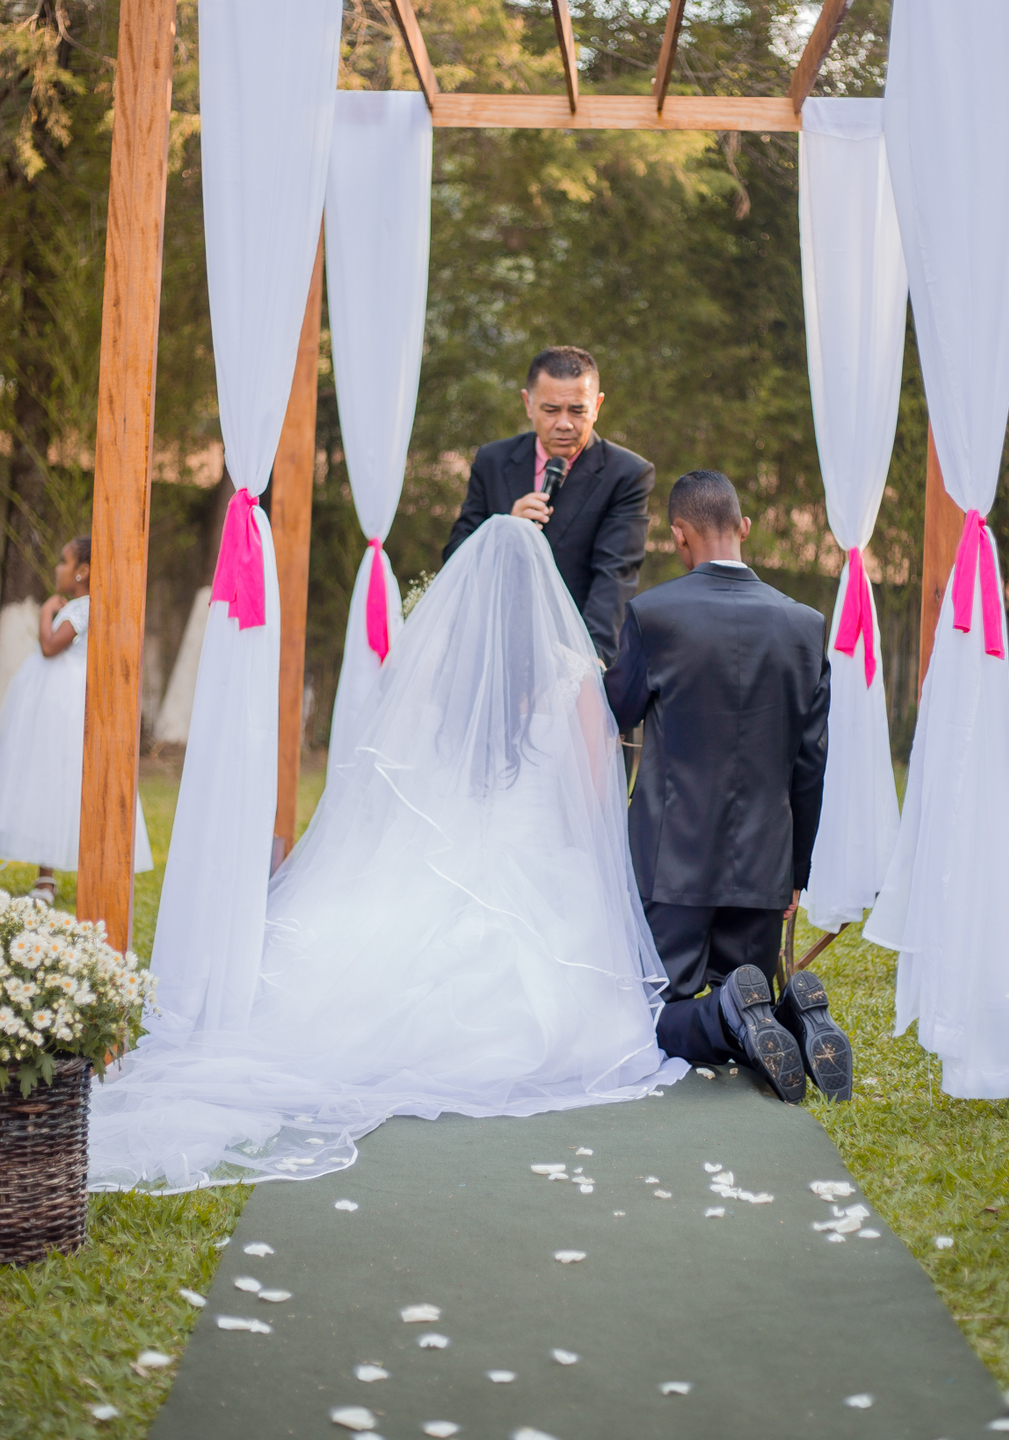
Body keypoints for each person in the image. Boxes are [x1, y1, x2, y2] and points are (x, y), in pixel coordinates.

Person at [87, 516, 686, 1193]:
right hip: (539, 856)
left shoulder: (442, 672)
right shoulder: (574, 678)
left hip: (443, 847)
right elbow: (588, 806)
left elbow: (398, 776)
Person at [604, 470, 852, 1105]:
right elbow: (812, 762)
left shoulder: (653, 615)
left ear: (678, 536)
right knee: (749, 990)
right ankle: (789, 1011)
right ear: (744, 528)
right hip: (764, 867)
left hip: (672, 867)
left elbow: (616, 710)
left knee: (647, 1017)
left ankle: (728, 1014)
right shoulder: (804, 625)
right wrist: (794, 871)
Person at [443, 347, 653, 666]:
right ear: (528, 404)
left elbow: (614, 577)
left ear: (597, 406)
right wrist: (503, 528)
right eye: (551, 410)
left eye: (577, 410)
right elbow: (455, 556)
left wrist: (587, 663)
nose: (564, 423)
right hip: (490, 651)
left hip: (570, 653)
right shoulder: (492, 460)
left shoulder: (626, 474)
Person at [0, 535, 152, 902]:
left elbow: (50, 647)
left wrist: (46, 613)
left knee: (52, 780)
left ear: (82, 571)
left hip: (60, 707)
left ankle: (47, 879)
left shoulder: (81, 608)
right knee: (51, 782)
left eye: (64, 562)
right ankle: (46, 878)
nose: (58, 568)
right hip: (57, 703)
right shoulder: (86, 606)